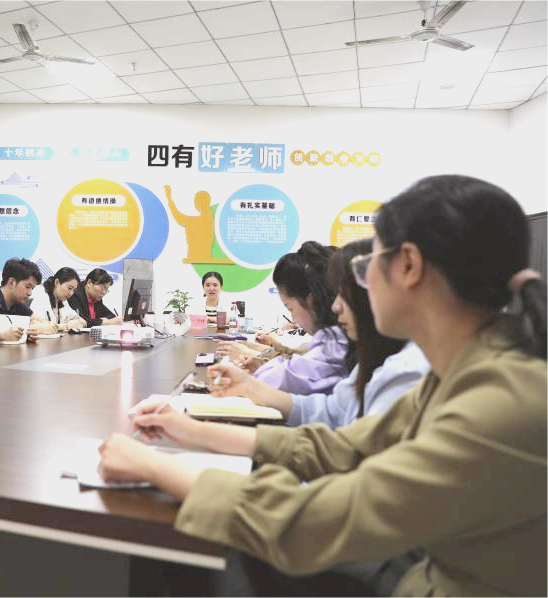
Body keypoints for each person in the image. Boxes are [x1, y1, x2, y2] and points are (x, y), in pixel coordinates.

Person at [98, 175, 548, 598]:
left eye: (368, 265)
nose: (343, 300)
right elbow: (341, 445)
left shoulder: (498, 403)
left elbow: (314, 523)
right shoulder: (464, 371)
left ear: (410, 265)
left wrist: (153, 465)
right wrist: (188, 431)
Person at [224, 239, 429, 429]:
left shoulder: (404, 368)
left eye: (345, 294)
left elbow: (347, 442)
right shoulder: (373, 355)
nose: (336, 306)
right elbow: (333, 411)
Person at [218, 241, 350, 395]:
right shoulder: (331, 338)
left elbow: (292, 377)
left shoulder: (337, 342)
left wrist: (255, 366)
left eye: (290, 308)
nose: (336, 306)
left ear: (311, 300)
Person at [0, 257, 43, 340]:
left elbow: (44, 323)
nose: (30, 293)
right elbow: (2, 331)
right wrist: (33, 326)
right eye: (27, 287)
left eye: (32, 288)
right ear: (11, 282)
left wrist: (36, 326)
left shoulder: (17, 303)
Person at [28, 267, 87, 332]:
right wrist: (66, 326)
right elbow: (34, 327)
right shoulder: (41, 298)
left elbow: (83, 322)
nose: (71, 293)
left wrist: (79, 323)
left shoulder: (63, 301)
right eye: (69, 288)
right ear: (57, 282)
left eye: (74, 290)